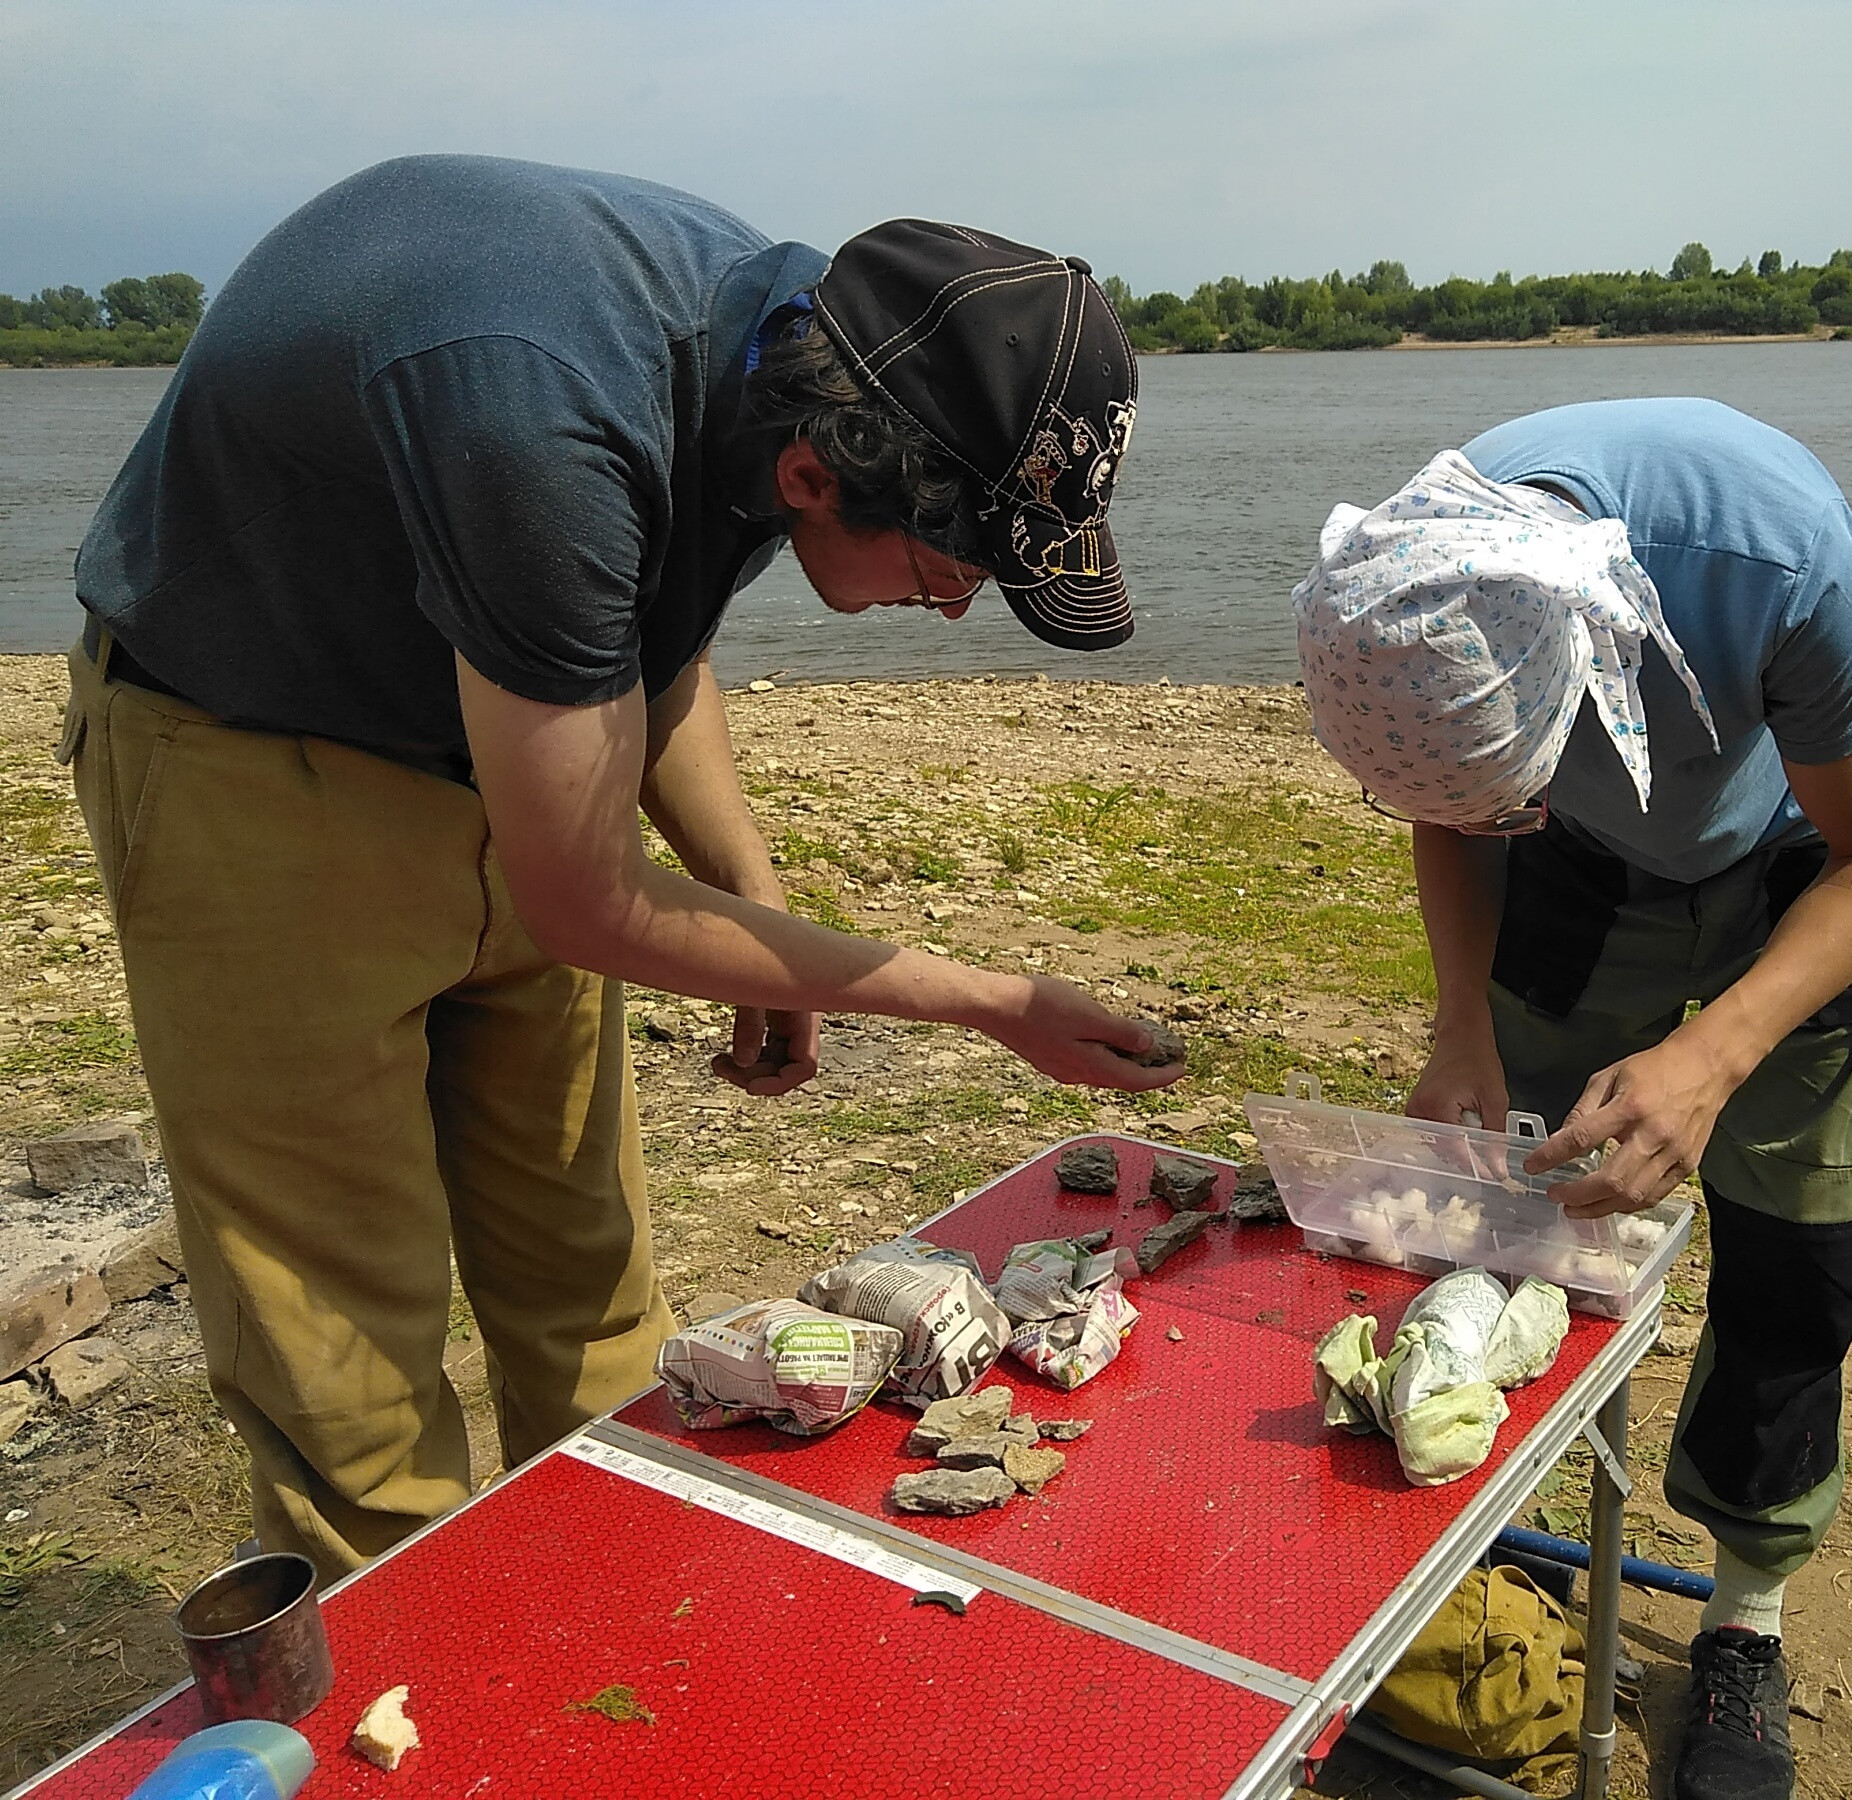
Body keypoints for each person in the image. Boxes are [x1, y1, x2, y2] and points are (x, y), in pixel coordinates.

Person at [64, 154, 1172, 1577]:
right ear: (812, 476)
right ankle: (411, 1662)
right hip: (259, 750)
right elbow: (588, 899)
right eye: (953, 567)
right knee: (339, 1334)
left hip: (511, 741)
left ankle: (608, 1601)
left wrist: (747, 887)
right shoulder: (544, 411)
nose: (956, 609)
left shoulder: (800, 347)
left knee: (581, 1270)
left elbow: (647, 628)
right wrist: (996, 1004)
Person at [1292, 400, 1852, 1800]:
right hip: (1584, 870)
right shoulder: (1421, 578)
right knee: (1519, 1218)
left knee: (1798, 1252)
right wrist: (1463, 1022)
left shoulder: (1772, 557)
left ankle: (1746, 1618)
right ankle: (1501, 1540)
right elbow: (1453, 813)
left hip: (1801, 862)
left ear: (1581, 666)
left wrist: (1715, 1058)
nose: (1488, 818)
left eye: (1506, 792)